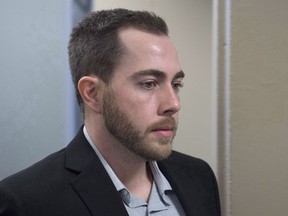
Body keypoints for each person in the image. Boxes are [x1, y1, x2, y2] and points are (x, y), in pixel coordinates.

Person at [0, 8, 221, 216]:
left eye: (176, 84)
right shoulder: (27, 201)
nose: (173, 104)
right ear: (93, 93)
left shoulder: (199, 177)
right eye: (149, 83)